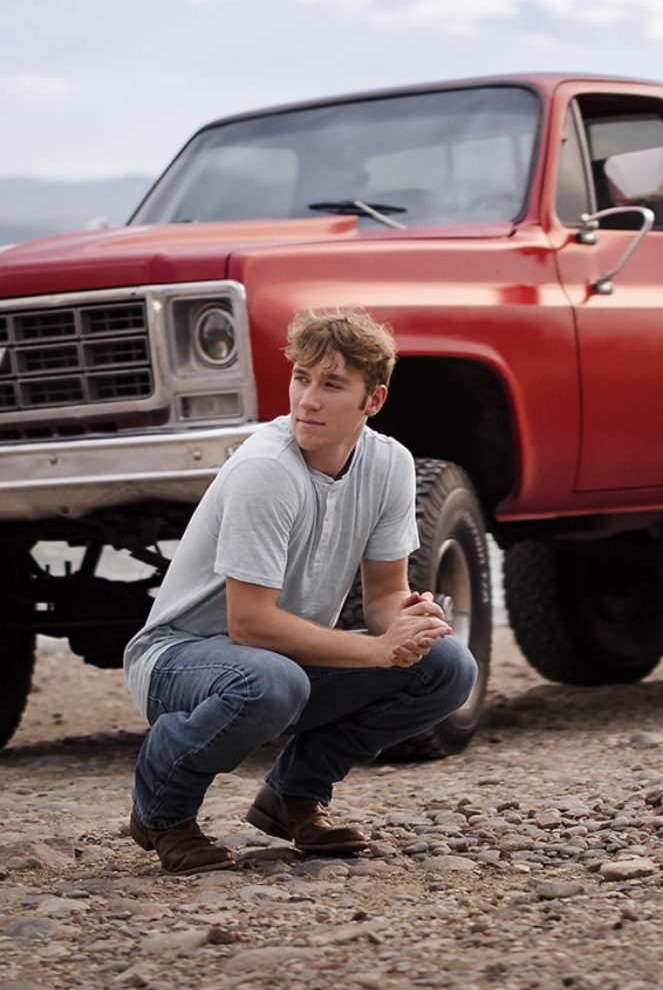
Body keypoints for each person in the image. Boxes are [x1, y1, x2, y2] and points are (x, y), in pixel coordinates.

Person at [121, 307, 479, 875]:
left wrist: (410, 625)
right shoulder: (265, 469)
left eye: (332, 385)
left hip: (280, 662)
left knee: (448, 665)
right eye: (301, 378)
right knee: (271, 680)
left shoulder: (389, 464)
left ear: (374, 401)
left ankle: (293, 797)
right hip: (179, 660)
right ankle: (163, 810)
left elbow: (385, 593)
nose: (308, 399)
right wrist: (372, 650)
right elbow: (251, 626)